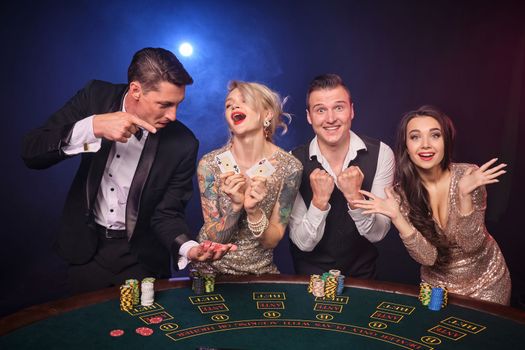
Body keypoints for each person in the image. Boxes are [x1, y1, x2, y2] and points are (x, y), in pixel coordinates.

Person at [21, 47, 235, 294]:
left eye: (178, 104)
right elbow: (31, 152)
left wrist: (189, 248)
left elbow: (167, 213)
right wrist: (92, 127)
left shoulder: (184, 143)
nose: (173, 115)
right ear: (136, 90)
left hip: (141, 261)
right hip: (83, 252)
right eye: (164, 105)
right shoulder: (95, 97)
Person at [353, 106, 511, 305]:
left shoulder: (468, 176)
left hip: (487, 280)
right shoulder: (400, 194)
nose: (425, 145)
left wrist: (464, 196)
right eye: (415, 137)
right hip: (437, 286)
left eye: (435, 135)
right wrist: (398, 218)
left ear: (446, 141)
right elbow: (428, 258)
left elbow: (472, 245)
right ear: (406, 146)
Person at [288, 74, 394, 279]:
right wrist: (318, 202)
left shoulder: (382, 154)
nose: (330, 119)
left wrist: (355, 199)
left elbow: (377, 234)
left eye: (339, 107)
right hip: (310, 279)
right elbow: (302, 243)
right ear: (309, 116)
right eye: (320, 110)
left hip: (363, 275)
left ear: (351, 110)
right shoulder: (293, 162)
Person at [195, 80, 303, 274]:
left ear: (267, 114)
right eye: (229, 104)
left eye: (244, 101)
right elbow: (214, 238)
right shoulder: (209, 164)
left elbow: (273, 240)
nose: (234, 106)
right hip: (210, 273)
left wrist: (253, 211)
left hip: (260, 273)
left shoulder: (290, 167)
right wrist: (234, 208)